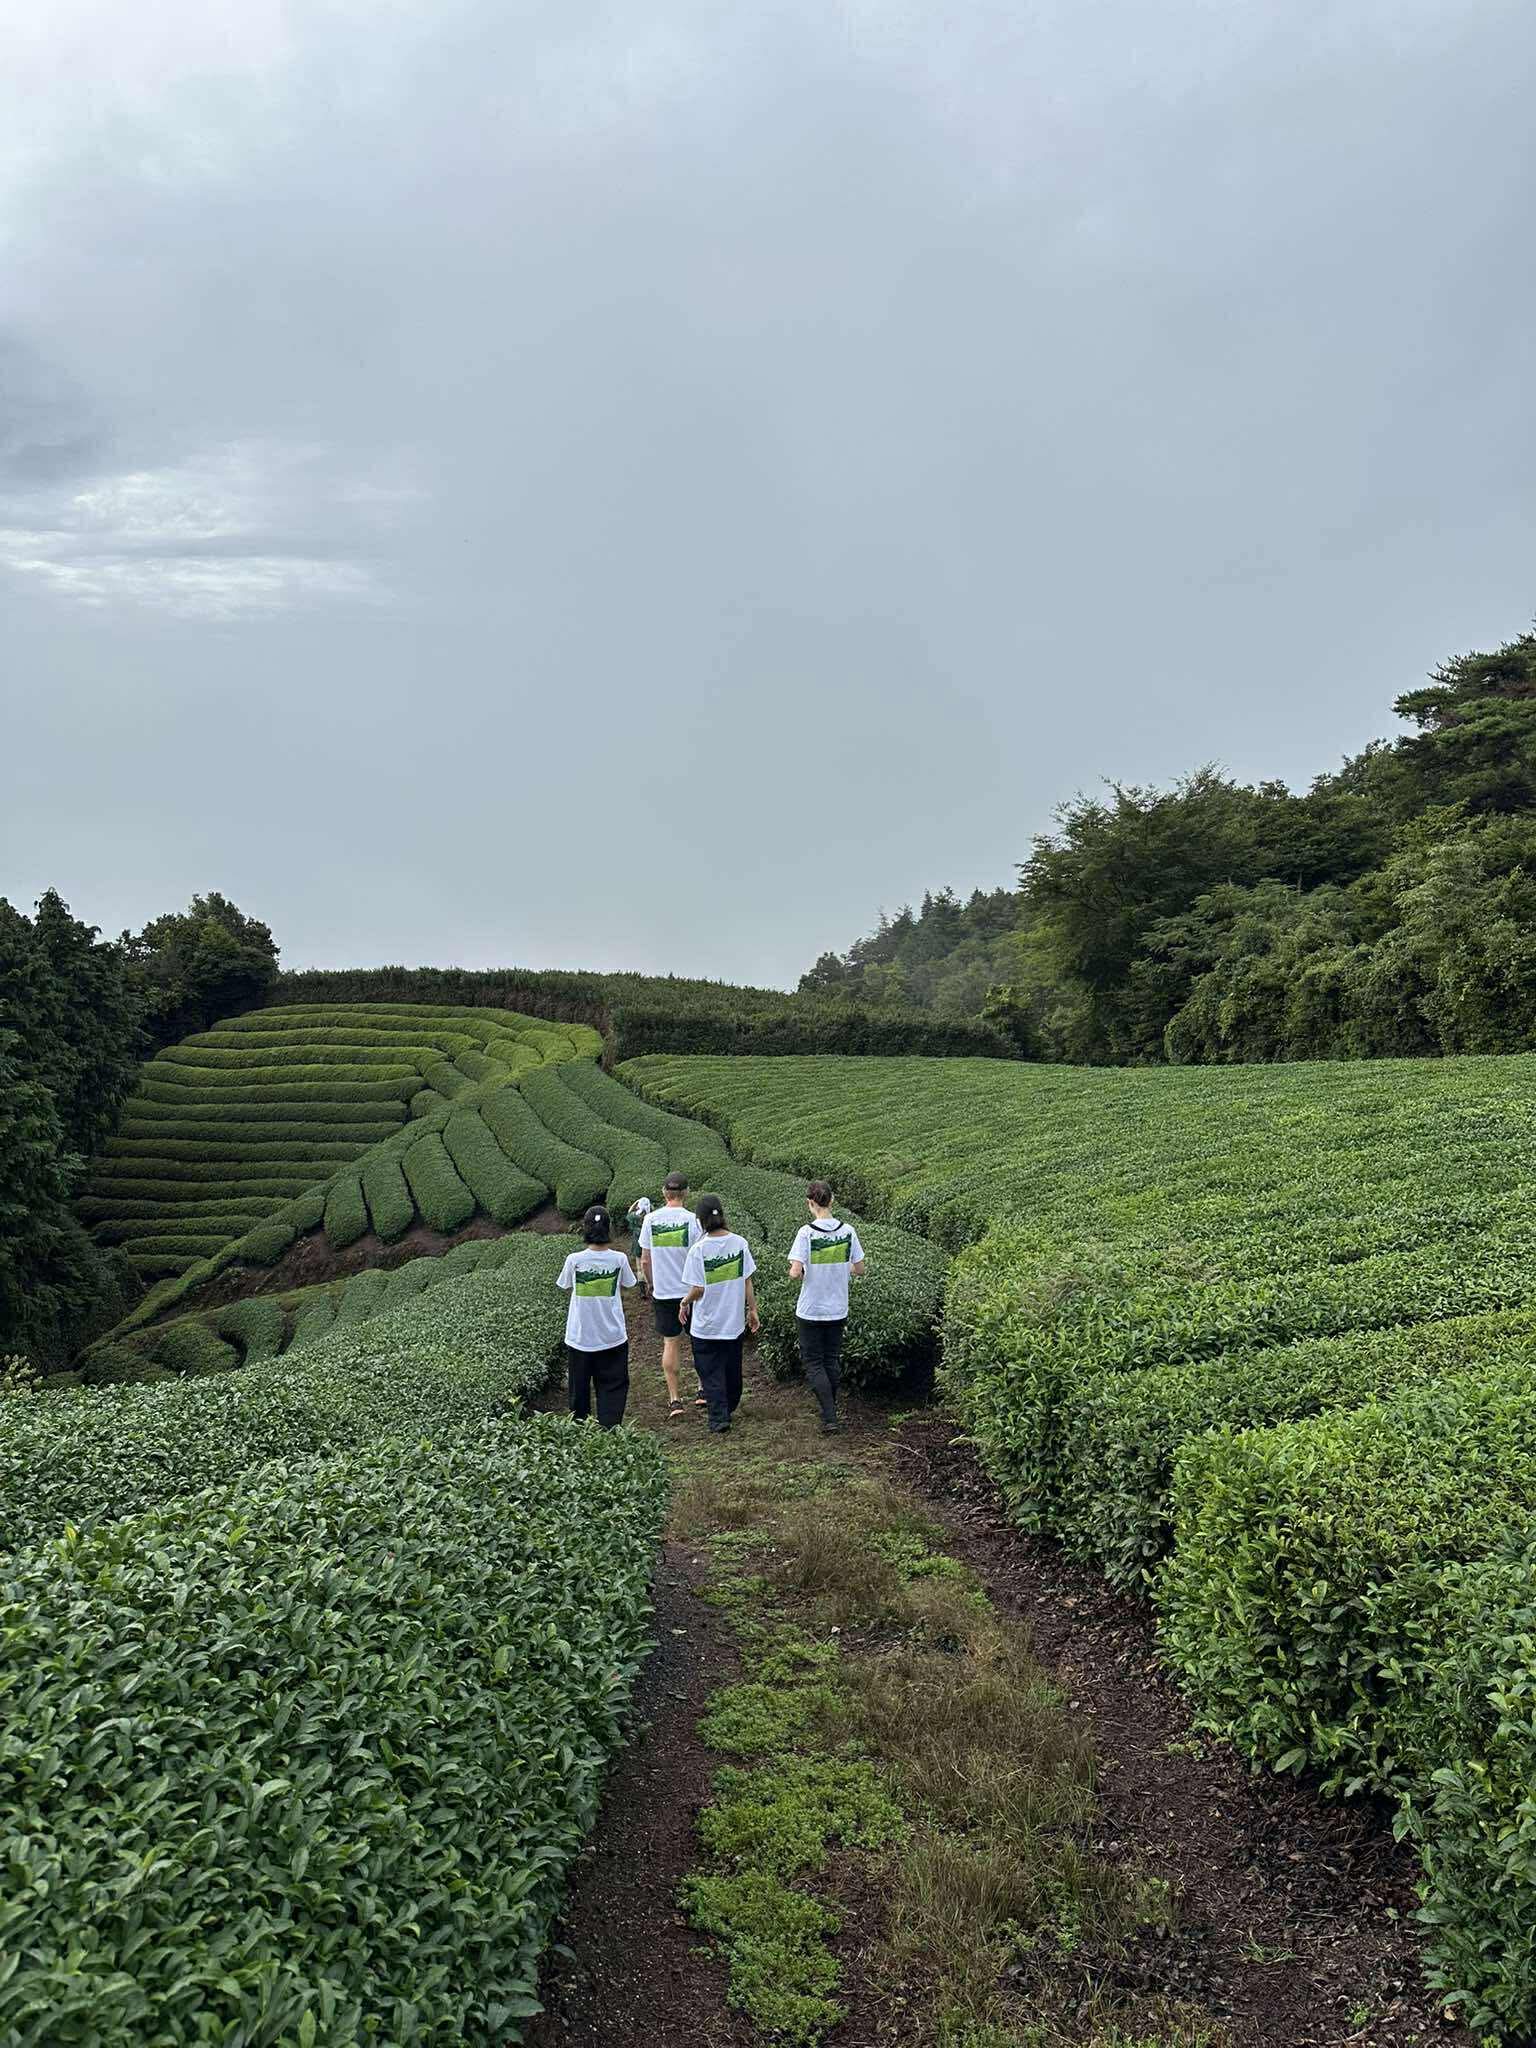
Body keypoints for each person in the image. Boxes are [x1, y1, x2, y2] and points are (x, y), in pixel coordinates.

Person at [787, 1180, 866, 1434]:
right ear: (831, 1201)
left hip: (811, 1308)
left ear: (810, 1203)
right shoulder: (848, 1231)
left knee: (814, 1362)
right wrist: (842, 1265)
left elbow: (795, 1272)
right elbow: (860, 1268)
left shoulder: (806, 1233)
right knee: (831, 1359)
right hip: (838, 1306)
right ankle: (830, 1408)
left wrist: (795, 1269)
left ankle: (830, 1416)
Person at [679, 1193, 758, 1435]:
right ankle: (729, 1404)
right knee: (732, 1367)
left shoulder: (699, 1249)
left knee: (709, 1369)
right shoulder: (739, 1243)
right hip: (732, 1320)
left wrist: (684, 1302)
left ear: (700, 1220)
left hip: (707, 1324)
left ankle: (718, 1417)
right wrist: (752, 1309)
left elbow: (699, 1289)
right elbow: (747, 1281)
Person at [556, 1204, 638, 1428]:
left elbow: (564, 1285)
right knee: (613, 1384)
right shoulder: (618, 1259)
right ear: (608, 1229)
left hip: (580, 1336)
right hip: (611, 1335)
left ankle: (581, 1429)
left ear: (586, 1228)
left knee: (579, 1389)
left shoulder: (574, 1260)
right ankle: (610, 1428)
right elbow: (630, 1283)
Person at [638, 1172, 704, 1420]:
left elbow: (645, 1259)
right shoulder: (693, 1220)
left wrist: (653, 1283)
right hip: (692, 1290)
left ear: (664, 1193)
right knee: (699, 1340)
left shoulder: (651, 1220)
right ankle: (702, 1389)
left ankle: (675, 1399)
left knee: (670, 1342)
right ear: (686, 1193)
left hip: (665, 1291)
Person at [625, 1192, 654, 1297]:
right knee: (650, 1266)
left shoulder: (634, 1217)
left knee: (639, 1267)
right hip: (649, 1245)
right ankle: (651, 1286)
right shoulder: (651, 1217)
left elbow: (629, 1212)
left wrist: (635, 1203)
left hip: (637, 1245)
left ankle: (642, 1291)